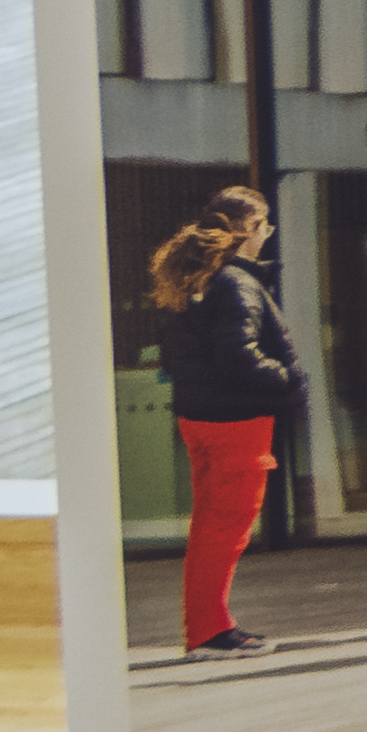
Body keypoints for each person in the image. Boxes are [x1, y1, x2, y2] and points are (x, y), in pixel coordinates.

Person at [148, 218, 299, 659]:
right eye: (261, 227)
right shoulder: (234, 283)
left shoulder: (183, 289)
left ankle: (205, 627)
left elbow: (174, 359)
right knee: (226, 530)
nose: (265, 234)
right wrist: (285, 376)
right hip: (238, 422)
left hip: (198, 420)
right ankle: (210, 632)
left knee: (207, 529)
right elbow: (239, 354)